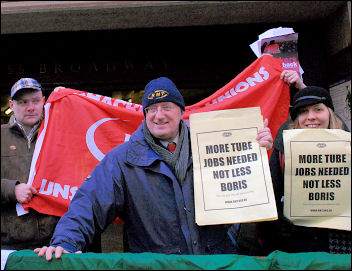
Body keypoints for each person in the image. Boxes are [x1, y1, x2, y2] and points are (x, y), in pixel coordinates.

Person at [34, 76, 274, 260]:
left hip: (214, 262)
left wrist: (255, 152)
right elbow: (89, 205)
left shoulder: (211, 145)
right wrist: (65, 243)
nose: (159, 115)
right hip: (155, 265)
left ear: (181, 111)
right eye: (151, 109)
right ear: (145, 114)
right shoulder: (122, 159)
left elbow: (249, 194)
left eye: (167, 106)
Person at [259, 86, 351, 255]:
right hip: (297, 244)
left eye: (318, 109)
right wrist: (259, 153)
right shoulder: (284, 149)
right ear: (296, 118)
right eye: (303, 111)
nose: (311, 117)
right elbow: (268, 196)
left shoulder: (347, 146)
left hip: (339, 243)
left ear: (330, 112)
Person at [1, 78, 60, 250]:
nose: (31, 107)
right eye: (23, 102)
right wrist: (12, 190)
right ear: (11, 105)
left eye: (35, 101)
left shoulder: (59, 134)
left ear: (43, 101)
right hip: (9, 243)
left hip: (53, 241)